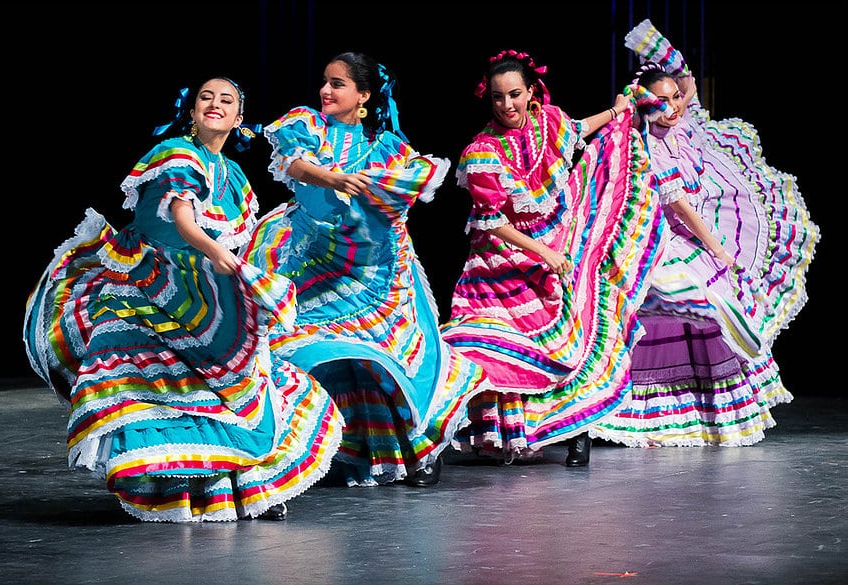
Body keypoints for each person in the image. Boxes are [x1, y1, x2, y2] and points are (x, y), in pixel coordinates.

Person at [22, 77, 343, 522]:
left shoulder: (232, 176)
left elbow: (239, 237)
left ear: (239, 117)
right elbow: (184, 220)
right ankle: (172, 489)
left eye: (226, 100)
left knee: (228, 395)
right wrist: (222, 258)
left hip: (198, 293)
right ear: (192, 112)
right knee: (163, 394)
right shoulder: (177, 154)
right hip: (149, 285)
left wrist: (248, 281)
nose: (214, 104)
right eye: (205, 98)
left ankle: (243, 490)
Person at [240, 52, 490, 487]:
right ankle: (299, 448)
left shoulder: (386, 146)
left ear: (364, 95)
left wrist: (382, 195)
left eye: (337, 84)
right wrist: (334, 180)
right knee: (315, 349)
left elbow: (409, 185)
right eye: (324, 81)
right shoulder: (309, 125)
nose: (326, 91)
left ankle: (415, 451)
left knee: (393, 357)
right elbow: (294, 164)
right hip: (314, 260)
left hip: (378, 271)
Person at [590, 20, 820, 446]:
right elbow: (678, 206)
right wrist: (717, 247)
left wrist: (666, 59)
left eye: (675, 99)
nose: (674, 107)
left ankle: (703, 406)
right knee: (687, 305)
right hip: (666, 240)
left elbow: (688, 83)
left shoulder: (679, 124)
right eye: (662, 102)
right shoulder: (648, 145)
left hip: (694, 229)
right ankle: (638, 411)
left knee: (699, 318)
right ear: (645, 106)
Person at [439, 50, 665, 467]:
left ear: (531, 93)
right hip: (500, 259)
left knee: (570, 333)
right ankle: (482, 435)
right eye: (497, 98)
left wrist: (616, 111)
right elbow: (490, 222)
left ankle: (573, 428)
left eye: (514, 95)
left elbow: (578, 128)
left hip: (554, 236)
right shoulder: (481, 153)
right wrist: (544, 253)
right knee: (494, 345)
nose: (507, 105)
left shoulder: (548, 122)